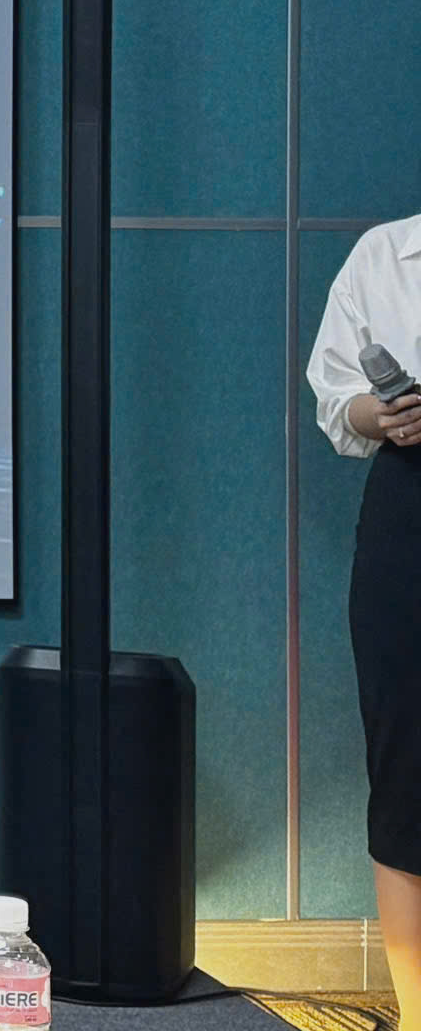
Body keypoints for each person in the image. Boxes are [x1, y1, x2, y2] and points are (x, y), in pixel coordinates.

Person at [309, 214, 421, 1026]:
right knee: (407, 763)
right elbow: (335, 397)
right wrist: (383, 418)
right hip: (409, 513)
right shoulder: (385, 254)